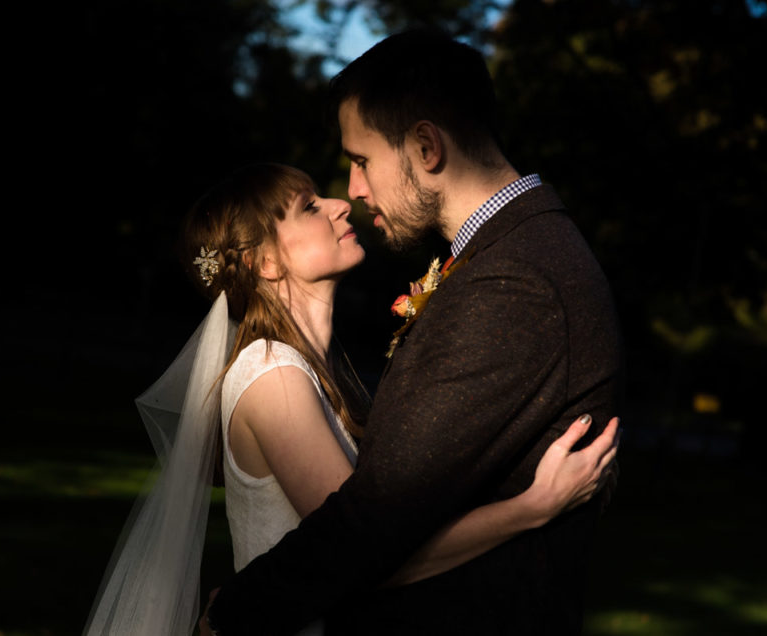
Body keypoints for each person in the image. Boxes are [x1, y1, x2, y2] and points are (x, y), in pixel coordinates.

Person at [203, 29, 624, 635]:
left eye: (361, 160)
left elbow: (375, 521)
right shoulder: (505, 259)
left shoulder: (515, 281)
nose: (351, 190)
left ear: (426, 146)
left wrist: (230, 613)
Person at [83, 162, 618, 635]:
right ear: (265, 263)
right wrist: (531, 508)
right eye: (310, 207)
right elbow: (366, 554)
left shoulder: (312, 372)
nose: (341, 204)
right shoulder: (271, 374)